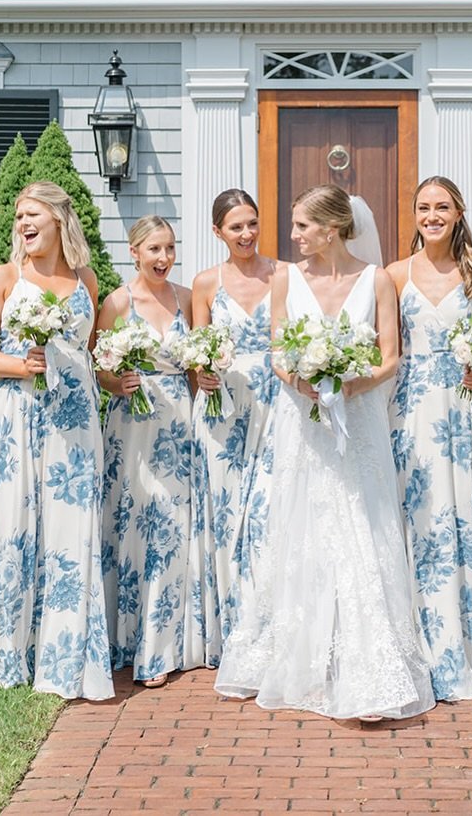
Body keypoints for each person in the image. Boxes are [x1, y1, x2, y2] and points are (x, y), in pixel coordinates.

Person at [216, 184, 435, 720]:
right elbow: (275, 352)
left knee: (362, 524)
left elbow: (391, 357)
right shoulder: (286, 279)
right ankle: (301, 657)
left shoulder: (377, 280)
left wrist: (354, 386)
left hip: (358, 422)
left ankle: (369, 665)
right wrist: (304, 380)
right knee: (305, 526)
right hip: (304, 422)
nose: (291, 237)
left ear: (331, 229)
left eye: (301, 227)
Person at [0, 182, 113, 700]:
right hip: (15, 415)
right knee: (13, 521)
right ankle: (7, 647)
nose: (22, 222)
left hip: (74, 418)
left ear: (61, 220)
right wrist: (23, 367)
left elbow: (88, 350)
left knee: (71, 525)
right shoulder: (4, 277)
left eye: (32, 214)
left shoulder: (86, 278)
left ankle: (64, 646)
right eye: (19, 215)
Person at [386, 176, 472, 702]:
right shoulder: (392, 276)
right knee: (417, 519)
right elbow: (384, 349)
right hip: (410, 410)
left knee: (460, 519)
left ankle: (457, 647)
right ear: (413, 214)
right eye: (424, 207)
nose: (432, 216)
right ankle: (411, 649)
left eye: (442, 207)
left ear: (458, 213)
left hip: (464, 408)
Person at [99, 216, 203, 686]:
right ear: (134, 251)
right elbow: (96, 365)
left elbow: (200, 363)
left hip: (179, 426)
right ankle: (124, 640)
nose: (163, 258)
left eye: (170, 249)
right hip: (131, 429)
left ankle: (162, 647)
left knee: (170, 531)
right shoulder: (118, 302)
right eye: (154, 249)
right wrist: (115, 382)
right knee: (132, 530)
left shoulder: (187, 299)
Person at [190, 190, 278, 665]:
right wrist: (199, 374)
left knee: (266, 513)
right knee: (225, 516)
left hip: (273, 406)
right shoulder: (206, 284)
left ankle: (270, 627)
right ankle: (229, 632)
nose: (245, 234)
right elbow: (195, 353)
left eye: (251, 223)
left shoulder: (282, 275)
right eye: (235, 227)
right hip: (220, 409)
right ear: (217, 232)